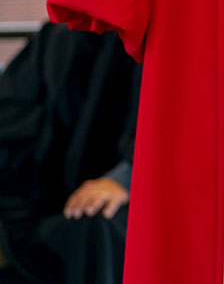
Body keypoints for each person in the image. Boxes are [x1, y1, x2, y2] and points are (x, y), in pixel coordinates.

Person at [0, 21, 140, 284]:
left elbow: (181, 125)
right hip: (41, 200)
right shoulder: (60, 36)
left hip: (127, 202)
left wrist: (126, 176)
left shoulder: (161, 36)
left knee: (95, 224)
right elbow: (11, 117)